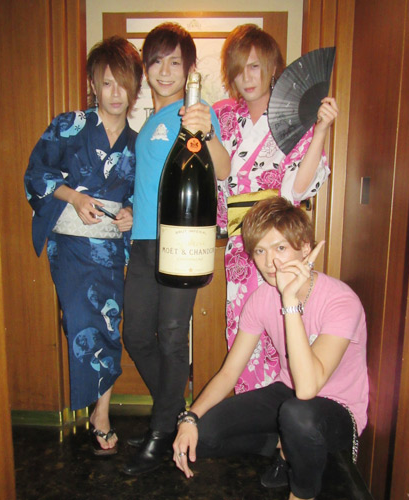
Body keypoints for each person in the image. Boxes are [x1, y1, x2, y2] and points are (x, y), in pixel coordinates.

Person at [173, 197, 368, 500]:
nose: (269, 262)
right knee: (205, 433)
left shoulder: (341, 301)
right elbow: (229, 373)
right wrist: (190, 418)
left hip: (337, 409)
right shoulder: (261, 299)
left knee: (298, 416)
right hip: (288, 393)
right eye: (260, 251)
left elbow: (308, 388)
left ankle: (302, 492)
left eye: (280, 248)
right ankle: (288, 446)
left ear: (305, 249)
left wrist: (290, 303)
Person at [24, 36, 143, 455]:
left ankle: (100, 413)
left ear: (135, 86)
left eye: (123, 84)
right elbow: (36, 174)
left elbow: (141, 196)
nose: (116, 93)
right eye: (107, 83)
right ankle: (94, 409)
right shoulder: (68, 125)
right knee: (81, 322)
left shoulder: (137, 143)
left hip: (110, 251)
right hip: (72, 247)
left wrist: (130, 213)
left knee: (109, 327)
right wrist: (74, 196)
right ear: (93, 84)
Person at [122, 22, 230, 475]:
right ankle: (171, 415)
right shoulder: (148, 122)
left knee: (170, 335)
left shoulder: (196, 113)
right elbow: (150, 183)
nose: (164, 71)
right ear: (146, 68)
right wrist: (131, 212)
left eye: (174, 62)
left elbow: (222, 169)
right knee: (135, 335)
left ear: (189, 70)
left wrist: (207, 131)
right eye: (156, 61)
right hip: (143, 242)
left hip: (181, 242)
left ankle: (161, 429)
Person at [214, 24, 339, 393]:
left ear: (272, 68)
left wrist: (320, 131)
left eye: (255, 66)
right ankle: (250, 408)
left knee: (284, 323)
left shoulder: (294, 115)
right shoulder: (223, 116)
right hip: (241, 244)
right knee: (243, 325)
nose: (246, 77)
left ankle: (284, 407)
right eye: (238, 69)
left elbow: (297, 188)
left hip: (279, 242)